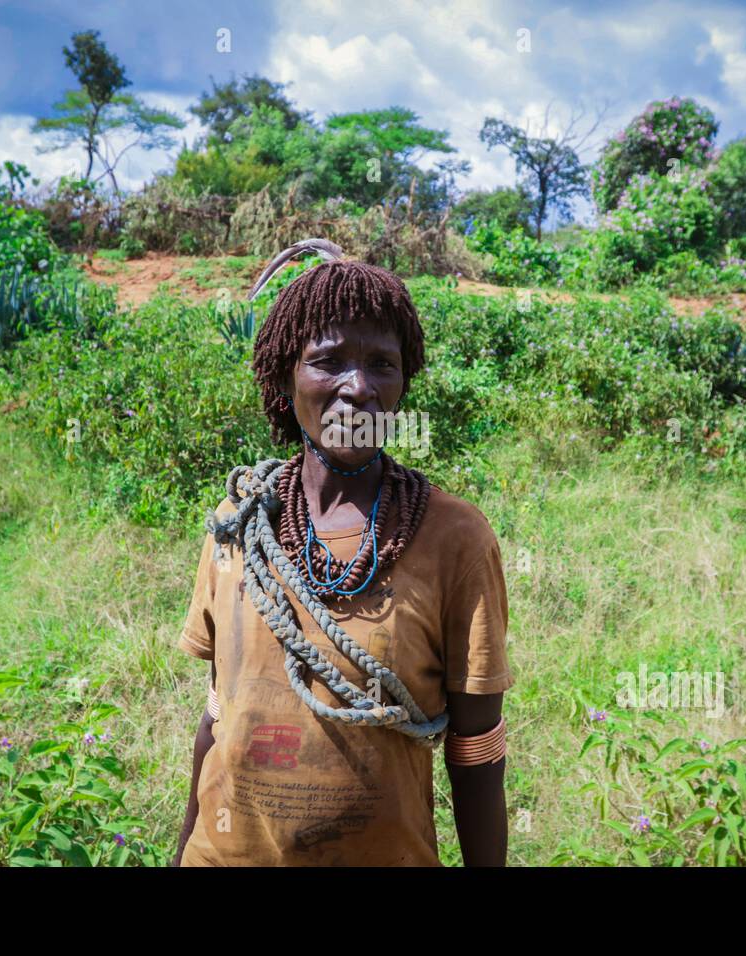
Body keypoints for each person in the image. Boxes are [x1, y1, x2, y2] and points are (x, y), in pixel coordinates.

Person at [172, 240, 514, 866]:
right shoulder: (238, 525)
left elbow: (477, 746)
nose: (358, 388)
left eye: (382, 364)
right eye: (328, 361)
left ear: (403, 381)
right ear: (285, 376)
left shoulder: (454, 538)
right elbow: (218, 712)